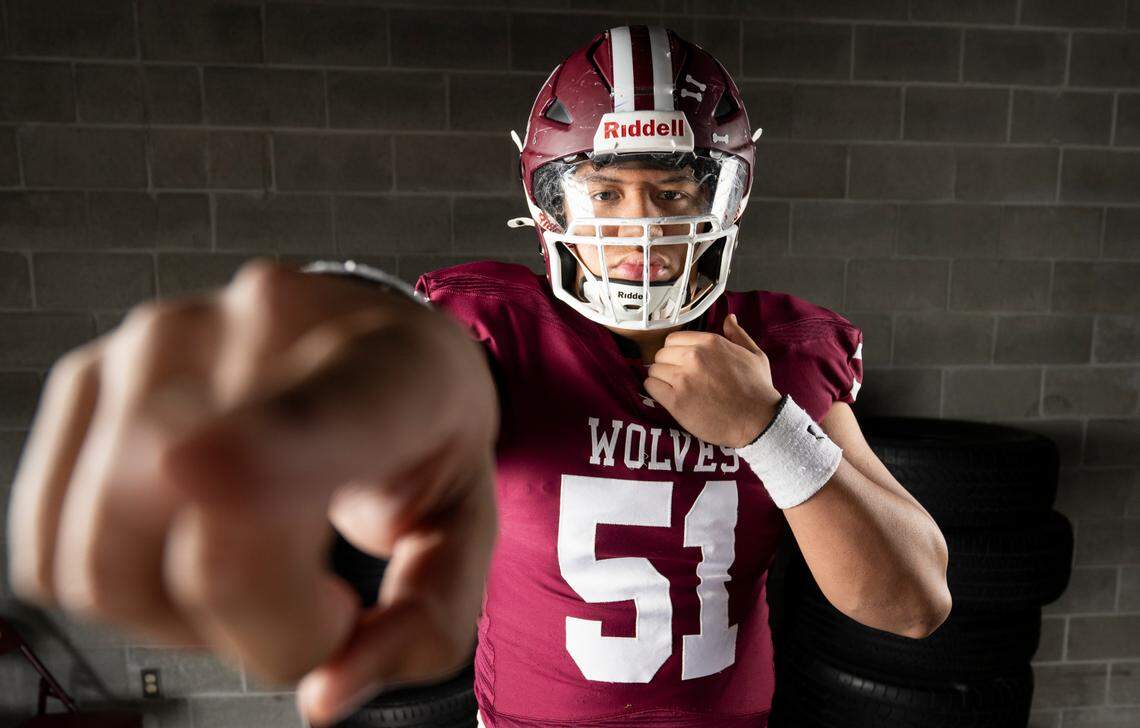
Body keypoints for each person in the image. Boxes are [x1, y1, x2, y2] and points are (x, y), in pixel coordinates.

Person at [6, 26, 951, 728]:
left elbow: (915, 602)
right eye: (606, 192)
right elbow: (427, 371)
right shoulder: (497, 328)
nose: (639, 229)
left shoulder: (779, 349)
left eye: (673, 192)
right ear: (549, 201)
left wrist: (768, 429)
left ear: (725, 196)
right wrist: (341, 331)